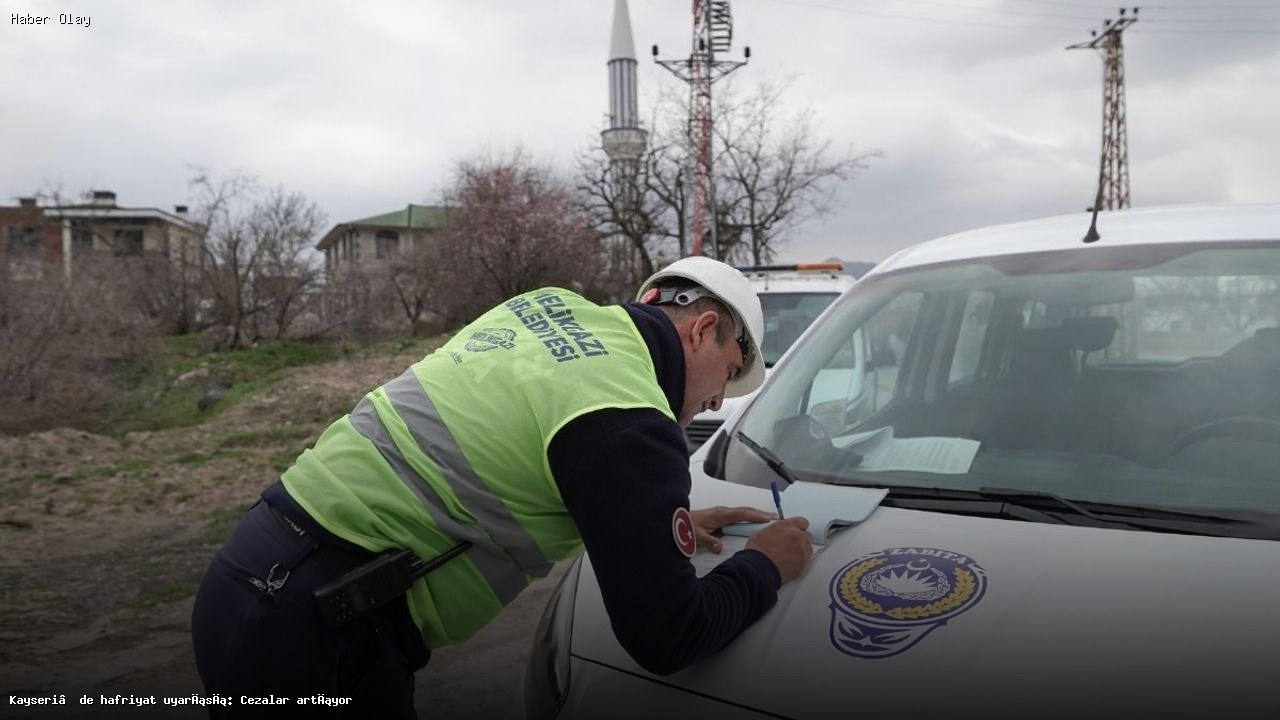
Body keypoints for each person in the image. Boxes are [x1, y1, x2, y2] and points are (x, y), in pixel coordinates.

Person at [190, 256, 814, 717]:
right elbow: (671, 635)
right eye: (729, 373)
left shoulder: (547, 306)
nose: (715, 401)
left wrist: (655, 522)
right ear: (702, 330)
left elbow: (513, 452)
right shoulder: (634, 420)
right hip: (319, 635)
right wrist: (765, 564)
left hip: (255, 573)